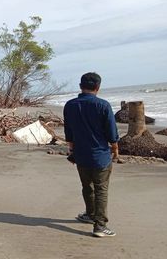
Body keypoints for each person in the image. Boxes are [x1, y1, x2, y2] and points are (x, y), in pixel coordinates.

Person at [63, 72, 119, 238]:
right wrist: (115, 147)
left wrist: (72, 151)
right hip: (100, 155)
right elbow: (111, 132)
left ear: (81, 86)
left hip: (81, 154)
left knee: (87, 187)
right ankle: (100, 226)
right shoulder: (103, 105)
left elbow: (69, 132)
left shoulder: (70, 105)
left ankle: (90, 214)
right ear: (98, 87)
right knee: (101, 190)